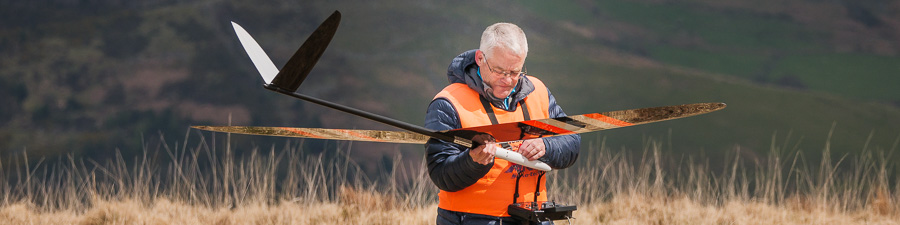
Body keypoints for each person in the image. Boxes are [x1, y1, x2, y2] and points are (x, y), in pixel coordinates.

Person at [425, 23, 581, 225]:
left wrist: (547, 146)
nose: (507, 80)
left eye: (515, 72)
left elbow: (572, 140)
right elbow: (440, 174)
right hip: (471, 220)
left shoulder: (539, 92)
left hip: (535, 217)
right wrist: (472, 162)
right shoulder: (448, 103)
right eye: (499, 71)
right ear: (480, 58)